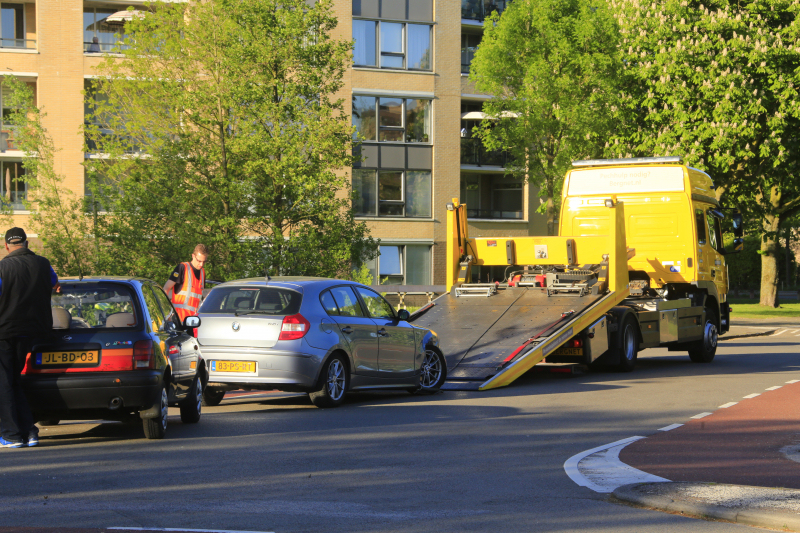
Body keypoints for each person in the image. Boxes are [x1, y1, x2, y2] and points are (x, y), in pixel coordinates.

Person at [0, 228, 59, 448]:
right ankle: (30, 431)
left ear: (7, 246)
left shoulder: (2, 268)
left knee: (4, 384)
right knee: (14, 382)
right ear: (26, 243)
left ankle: (11, 435)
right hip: (31, 332)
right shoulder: (44, 264)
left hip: (4, 332)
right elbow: (53, 280)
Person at [163, 244, 207, 322]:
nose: (201, 264)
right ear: (193, 256)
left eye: (204, 261)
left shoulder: (202, 273)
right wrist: (166, 312)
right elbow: (166, 288)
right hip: (179, 320)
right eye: (199, 261)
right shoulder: (182, 268)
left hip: (193, 321)